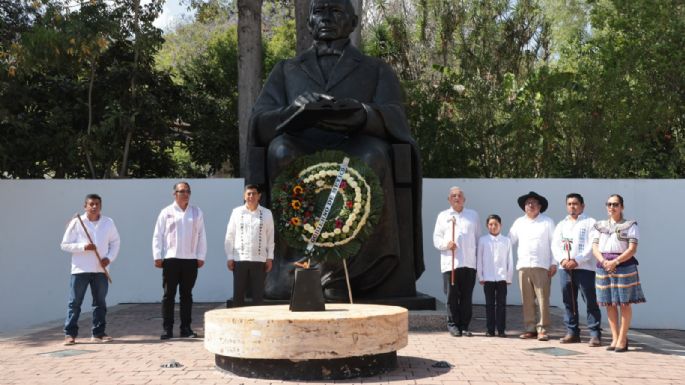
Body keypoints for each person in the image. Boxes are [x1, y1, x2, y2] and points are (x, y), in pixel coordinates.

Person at [246, 0, 423, 301]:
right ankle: (293, 269)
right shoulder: (286, 70)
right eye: (320, 11)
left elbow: (395, 116)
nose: (326, 18)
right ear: (309, 22)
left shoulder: (376, 69)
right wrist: (292, 111)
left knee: (374, 156)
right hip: (302, 144)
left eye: (336, 11)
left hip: (354, 144)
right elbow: (260, 121)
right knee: (279, 151)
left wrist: (363, 114)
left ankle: (348, 274)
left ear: (353, 23)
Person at [60, 194, 120, 345]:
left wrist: (109, 258)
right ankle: (70, 334)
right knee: (74, 303)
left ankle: (98, 333)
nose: (94, 207)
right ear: (85, 206)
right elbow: (64, 244)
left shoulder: (108, 222)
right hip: (80, 269)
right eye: (91, 204)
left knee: (100, 303)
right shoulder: (76, 222)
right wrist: (83, 247)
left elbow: (115, 242)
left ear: (101, 206)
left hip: (100, 269)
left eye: (97, 204)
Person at [591, 194, 646, 352]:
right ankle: (615, 338)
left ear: (622, 207)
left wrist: (615, 261)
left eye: (615, 204)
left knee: (624, 303)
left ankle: (623, 339)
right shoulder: (599, 226)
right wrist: (604, 261)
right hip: (604, 265)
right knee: (609, 303)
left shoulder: (630, 225)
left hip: (623, 265)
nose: (612, 207)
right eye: (609, 204)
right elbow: (594, 247)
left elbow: (632, 249)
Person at [152, 181, 207, 340]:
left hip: (190, 260)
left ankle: (186, 328)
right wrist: (157, 255)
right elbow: (158, 235)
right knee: (168, 295)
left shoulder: (196, 212)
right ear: (174, 194)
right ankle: (167, 329)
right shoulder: (166, 212)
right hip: (171, 259)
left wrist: (201, 256)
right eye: (182, 191)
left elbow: (201, 235)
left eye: (188, 191)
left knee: (187, 295)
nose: (185, 194)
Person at [552, 193, 602, 346]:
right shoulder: (562, 224)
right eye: (569, 204)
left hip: (585, 268)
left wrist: (576, 260)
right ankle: (572, 332)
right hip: (564, 268)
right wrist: (562, 260)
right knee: (569, 301)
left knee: (590, 300)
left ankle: (594, 334)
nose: (572, 206)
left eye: (575, 203)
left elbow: (592, 246)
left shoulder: (590, 222)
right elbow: (555, 245)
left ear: (582, 206)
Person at [508, 191, 556, 341]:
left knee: (542, 299)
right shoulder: (518, 222)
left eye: (534, 202)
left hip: (542, 265)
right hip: (523, 265)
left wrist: (554, 263)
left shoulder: (547, 222)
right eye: (528, 203)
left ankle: (542, 329)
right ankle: (530, 328)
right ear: (524, 207)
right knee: (527, 300)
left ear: (540, 206)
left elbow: (555, 244)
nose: (531, 205)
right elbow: (509, 242)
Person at [433, 187, 481, 336]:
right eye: (453, 196)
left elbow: (478, 239)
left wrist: (479, 263)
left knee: (467, 297)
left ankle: (465, 325)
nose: (456, 198)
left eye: (459, 195)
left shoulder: (473, 215)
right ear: (449, 199)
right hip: (451, 264)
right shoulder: (443, 216)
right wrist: (446, 245)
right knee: (452, 296)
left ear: (464, 199)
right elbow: (436, 239)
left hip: (469, 263)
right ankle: (453, 325)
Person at [224, 185, 275, 307]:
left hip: (259, 259)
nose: (251, 196)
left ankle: (257, 323)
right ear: (244, 196)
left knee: (258, 296)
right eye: (248, 194)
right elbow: (229, 235)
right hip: (239, 259)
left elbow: (270, 237)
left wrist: (269, 257)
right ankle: (238, 323)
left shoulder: (267, 213)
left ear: (259, 196)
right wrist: (229, 257)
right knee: (238, 294)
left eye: (254, 193)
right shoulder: (236, 212)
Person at [477, 214, 513, 337]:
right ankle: (490, 329)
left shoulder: (506, 241)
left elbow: (510, 260)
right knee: (489, 304)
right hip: (488, 277)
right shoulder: (483, 240)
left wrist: (509, 277)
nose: (493, 227)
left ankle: (501, 330)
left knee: (501, 305)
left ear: (500, 225)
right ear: (487, 226)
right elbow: (479, 260)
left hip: (502, 277)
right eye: (490, 224)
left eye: (495, 224)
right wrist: (480, 276)